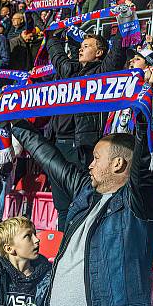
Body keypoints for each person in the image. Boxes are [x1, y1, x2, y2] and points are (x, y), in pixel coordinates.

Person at [10, 84, 153, 306]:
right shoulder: (87, 192)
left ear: (118, 164)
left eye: (96, 158)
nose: (90, 165)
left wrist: (147, 114)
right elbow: (49, 158)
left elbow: (145, 165)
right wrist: (13, 121)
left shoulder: (138, 202)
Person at [45, 31, 126, 229]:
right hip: (57, 145)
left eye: (87, 46)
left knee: (79, 203)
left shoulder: (101, 73)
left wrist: (123, 27)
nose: (81, 48)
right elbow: (57, 56)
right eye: (80, 46)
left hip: (79, 147)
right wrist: (52, 35)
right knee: (61, 205)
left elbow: (117, 54)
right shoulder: (69, 72)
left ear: (99, 52)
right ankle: (62, 246)